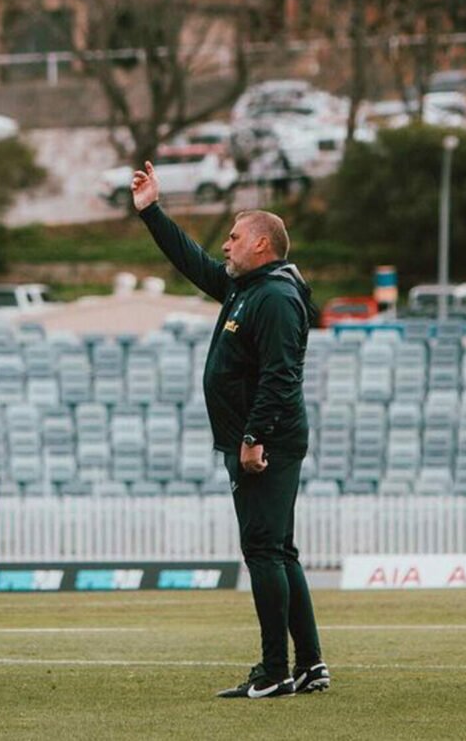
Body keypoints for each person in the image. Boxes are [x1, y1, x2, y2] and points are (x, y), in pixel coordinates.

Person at [131, 161, 327, 700]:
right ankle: (309, 664)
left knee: (263, 549)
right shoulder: (251, 288)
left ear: (262, 244)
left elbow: (281, 374)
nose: (226, 244)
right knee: (280, 550)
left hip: (266, 441)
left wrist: (252, 437)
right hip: (259, 436)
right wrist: (152, 213)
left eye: (235, 236)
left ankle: (275, 671)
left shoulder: (277, 297)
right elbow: (194, 263)